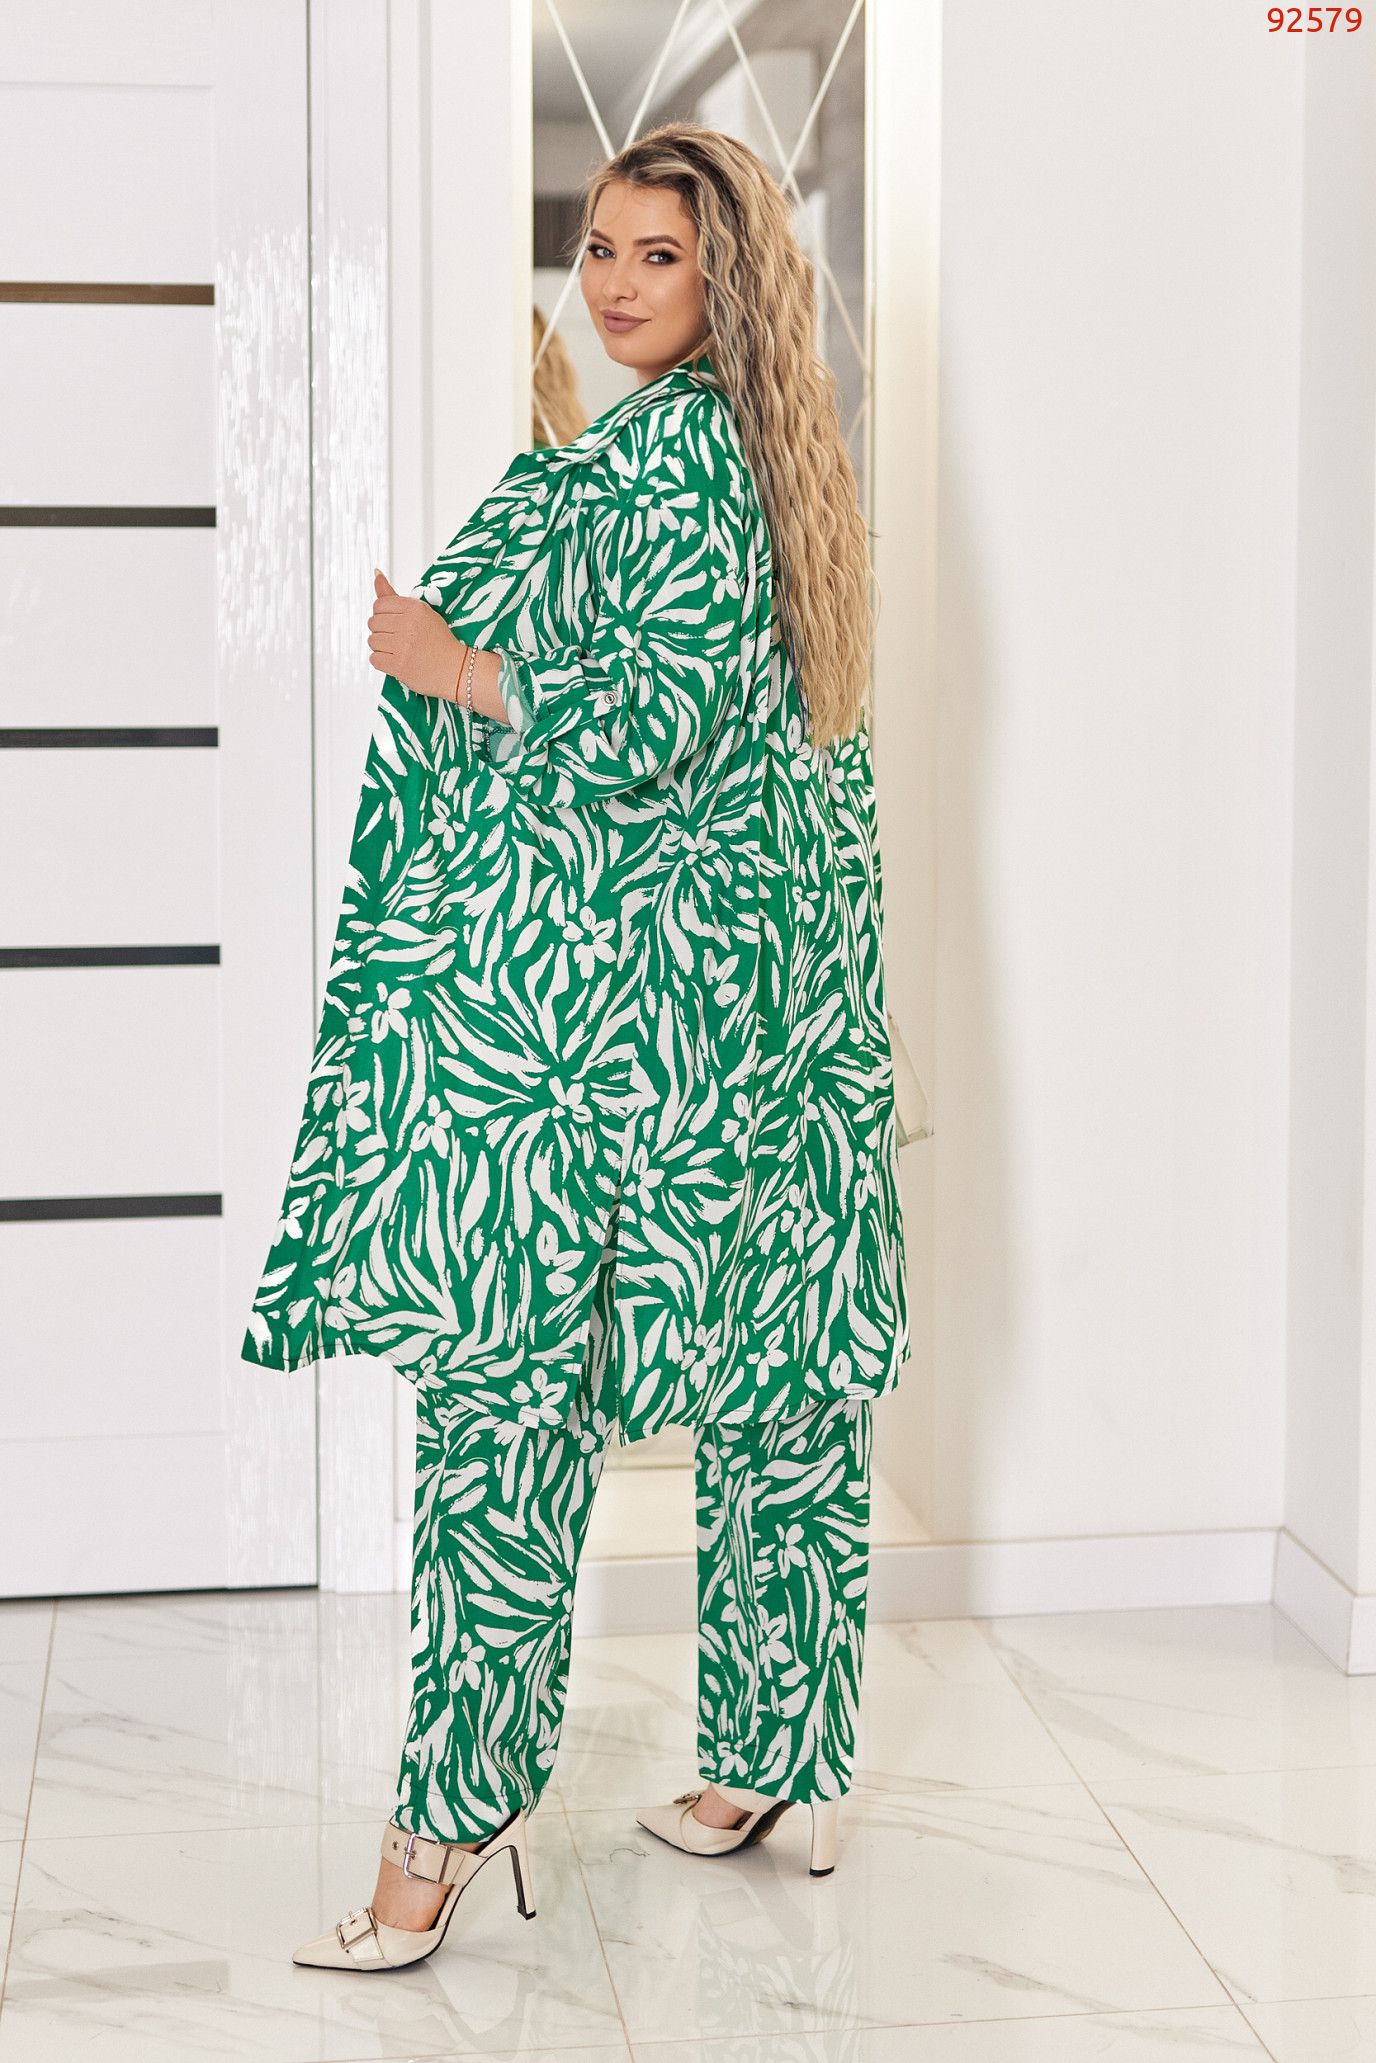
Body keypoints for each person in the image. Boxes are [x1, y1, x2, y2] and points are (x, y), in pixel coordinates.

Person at [243, 119, 911, 1974]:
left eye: (655, 256)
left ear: (725, 282)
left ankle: (446, 1829)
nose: (612, 283)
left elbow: (650, 724)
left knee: (507, 1400)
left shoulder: (673, 459)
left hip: (623, 1039)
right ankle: (783, 1761)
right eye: (598, 246)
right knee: (781, 1381)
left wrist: (445, 664)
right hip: (762, 1019)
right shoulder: (776, 459)